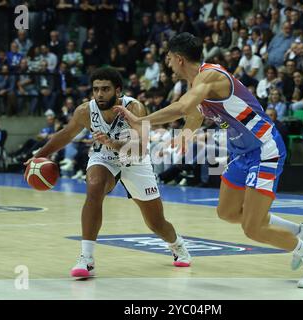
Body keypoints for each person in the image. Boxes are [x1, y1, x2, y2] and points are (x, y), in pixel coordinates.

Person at [117, 32, 303, 288]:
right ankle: (300, 231)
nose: (166, 62)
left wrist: (141, 121)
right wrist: (186, 134)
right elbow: (196, 114)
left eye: (167, 57)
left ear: (178, 58)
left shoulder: (210, 76)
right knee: (227, 212)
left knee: (253, 228)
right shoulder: (196, 82)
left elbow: (183, 107)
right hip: (241, 152)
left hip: (264, 148)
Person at [24, 67, 191, 278]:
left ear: (118, 91)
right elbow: (65, 134)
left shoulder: (135, 108)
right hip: (103, 158)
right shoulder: (85, 111)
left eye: (105, 89)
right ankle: (87, 258)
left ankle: (176, 245)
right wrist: (39, 155)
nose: (100, 94)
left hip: (135, 161)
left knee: (156, 223)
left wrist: (112, 142)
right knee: (94, 187)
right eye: (96, 89)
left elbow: (140, 147)